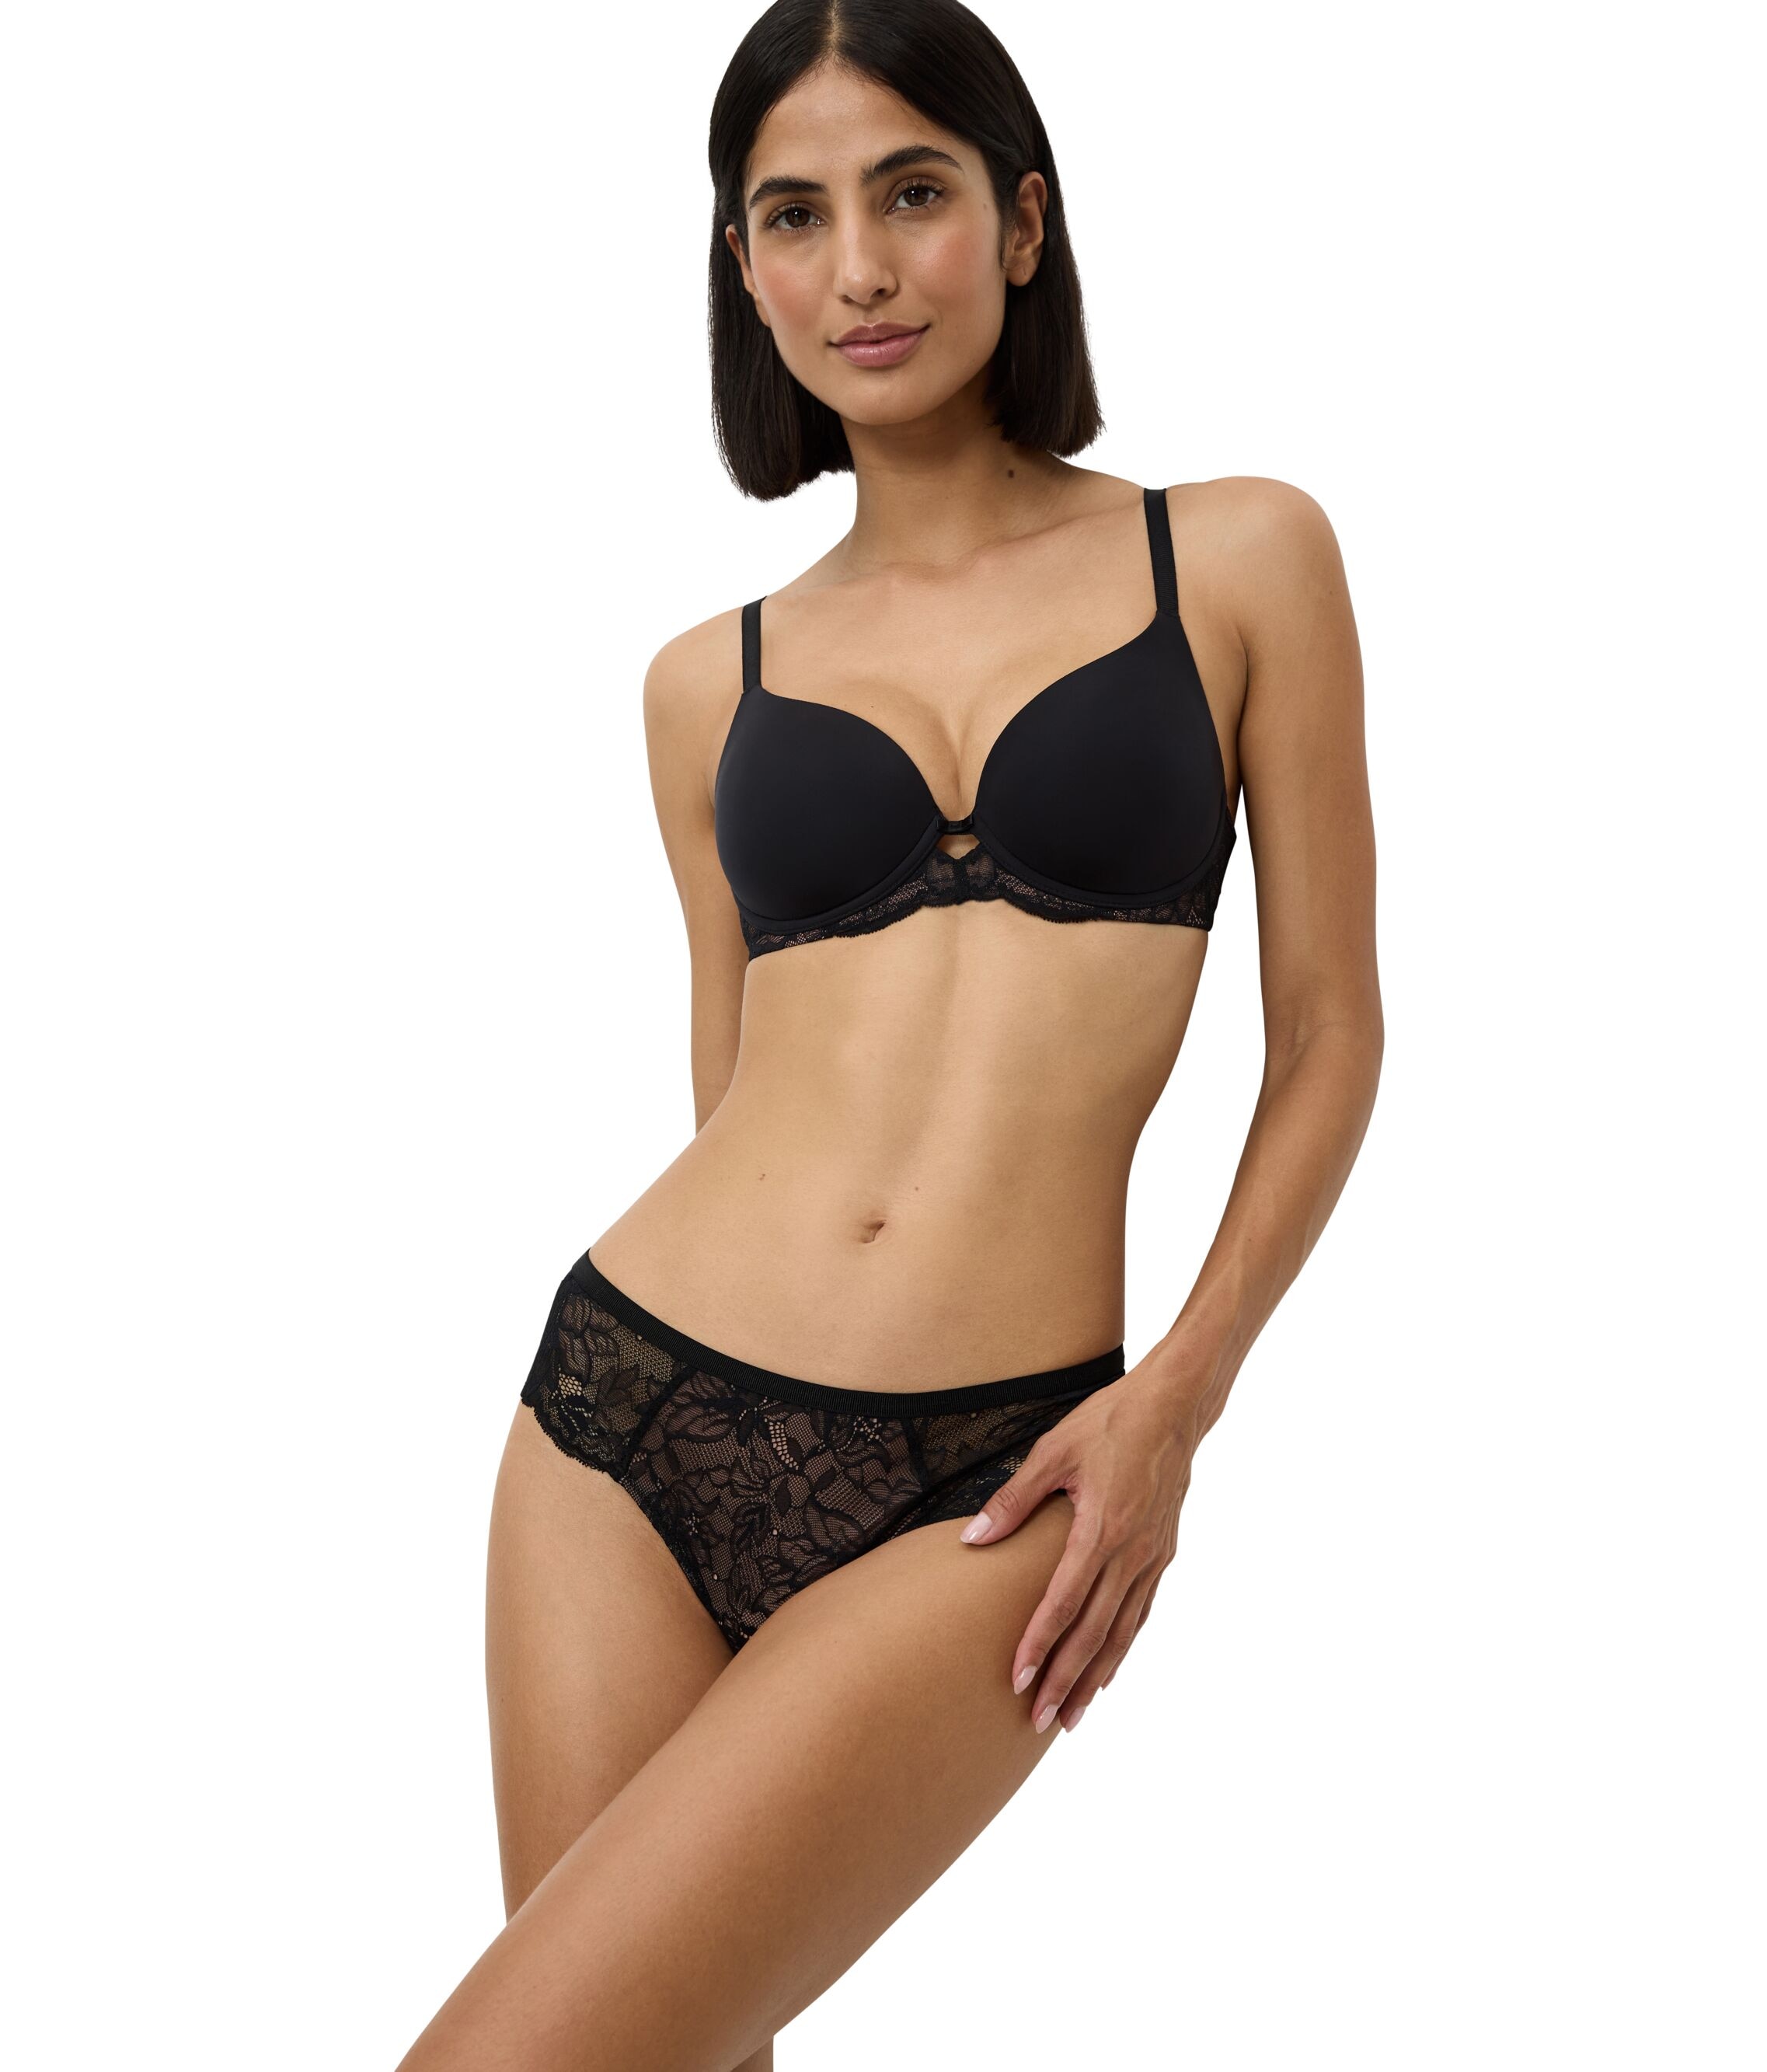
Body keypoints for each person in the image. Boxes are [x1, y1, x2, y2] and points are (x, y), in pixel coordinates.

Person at [398, 2, 1380, 2064]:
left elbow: (1325, 1031)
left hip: (997, 1473)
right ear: (742, 268)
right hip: (622, 1425)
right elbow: (734, 1088)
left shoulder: (1239, 556)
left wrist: (1176, 1403)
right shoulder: (706, 683)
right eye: (795, 214)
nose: (859, 266)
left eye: (911, 192)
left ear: (1021, 222)